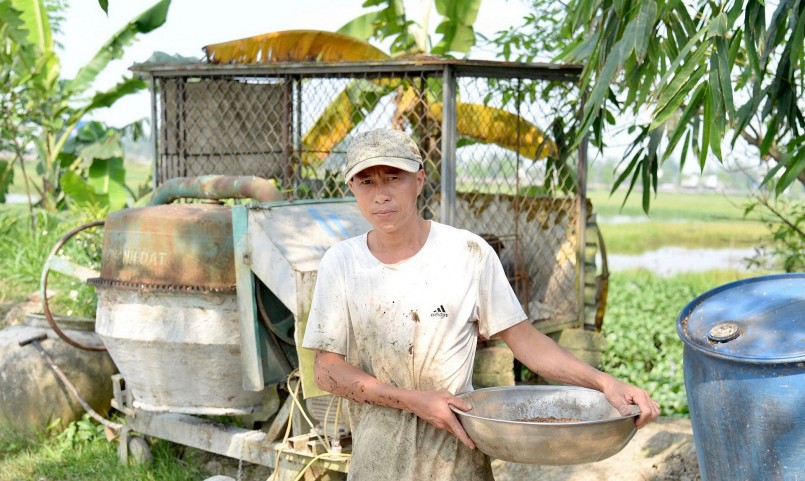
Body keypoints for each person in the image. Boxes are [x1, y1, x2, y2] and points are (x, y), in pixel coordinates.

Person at [302, 128, 660, 480]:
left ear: (419, 180)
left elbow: (528, 343)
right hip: (377, 462)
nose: (381, 194)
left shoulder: (467, 253)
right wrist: (414, 400)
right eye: (367, 182)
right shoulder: (343, 262)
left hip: (456, 461)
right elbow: (327, 371)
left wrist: (603, 382)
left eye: (393, 177)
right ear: (352, 188)